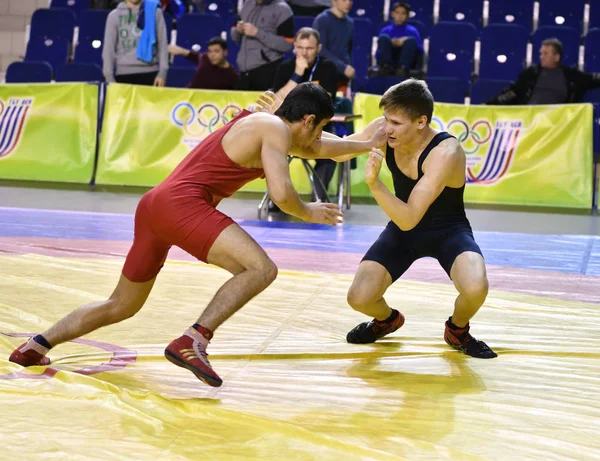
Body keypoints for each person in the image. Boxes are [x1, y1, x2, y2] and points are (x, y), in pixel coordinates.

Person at [9, 83, 387, 387]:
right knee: (260, 269)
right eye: (319, 125)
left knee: (121, 304)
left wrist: (368, 142)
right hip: (182, 205)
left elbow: (321, 149)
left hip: (155, 206)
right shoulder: (272, 129)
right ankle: (194, 339)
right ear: (307, 120)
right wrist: (309, 212)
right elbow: (284, 194)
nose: (318, 135)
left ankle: (35, 346)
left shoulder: (261, 121)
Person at [343, 79, 497, 359]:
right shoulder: (384, 131)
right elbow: (341, 149)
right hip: (403, 232)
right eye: (386, 119)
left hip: (446, 230)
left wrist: (375, 184)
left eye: (396, 123)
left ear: (421, 122)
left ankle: (457, 330)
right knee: (359, 297)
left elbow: (410, 218)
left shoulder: (445, 152)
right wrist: (286, 127)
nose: (387, 128)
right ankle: (387, 320)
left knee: (476, 287)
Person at [272, 27, 339, 202]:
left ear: (318, 48)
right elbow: (278, 101)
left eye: (309, 48)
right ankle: (278, 198)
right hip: (287, 128)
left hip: (317, 127)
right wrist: (297, 74)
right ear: (294, 47)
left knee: (329, 158)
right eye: (300, 48)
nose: (304, 53)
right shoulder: (286, 67)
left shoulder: (328, 67)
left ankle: (318, 198)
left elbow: (325, 101)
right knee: (273, 151)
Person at [487, 38, 600, 105]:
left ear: (557, 57)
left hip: (558, 124)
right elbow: (512, 92)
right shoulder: (530, 74)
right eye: (541, 53)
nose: (541, 57)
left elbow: (593, 79)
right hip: (531, 120)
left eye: (546, 54)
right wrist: (488, 105)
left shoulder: (571, 76)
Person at [231, 0, 295, 91]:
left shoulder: (283, 9)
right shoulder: (248, 4)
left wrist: (257, 33)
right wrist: (238, 30)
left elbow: (287, 44)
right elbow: (234, 37)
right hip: (243, 71)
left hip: (267, 70)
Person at [102, 0, 169, 86]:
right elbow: (108, 50)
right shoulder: (114, 16)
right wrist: (109, 78)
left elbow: (162, 44)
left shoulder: (155, 12)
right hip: (123, 75)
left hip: (151, 73)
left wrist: (162, 73)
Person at [168, 37, 239, 90]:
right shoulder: (205, 58)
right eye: (210, 51)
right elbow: (191, 55)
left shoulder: (232, 75)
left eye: (216, 51)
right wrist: (179, 51)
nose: (212, 55)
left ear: (225, 52)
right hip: (188, 98)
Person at [374, 2, 423, 77]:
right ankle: (386, 66)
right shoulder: (385, 30)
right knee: (383, 38)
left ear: (407, 16)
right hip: (390, 59)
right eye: (397, 12)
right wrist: (391, 43)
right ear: (392, 14)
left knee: (411, 40)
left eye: (403, 13)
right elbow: (378, 53)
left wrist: (405, 41)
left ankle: (402, 68)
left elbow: (420, 51)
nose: (400, 16)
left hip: (408, 62)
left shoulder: (412, 31)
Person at [312, 0, 354, 84]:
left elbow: (348, 50)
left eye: (350, 0)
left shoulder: (350, 22)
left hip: (344, 75)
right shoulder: (322, 20)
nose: (348, 3)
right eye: (344, 0)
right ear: (334, 1)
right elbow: (320, 50)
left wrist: (349, 68)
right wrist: (342, 67)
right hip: (324, 73)